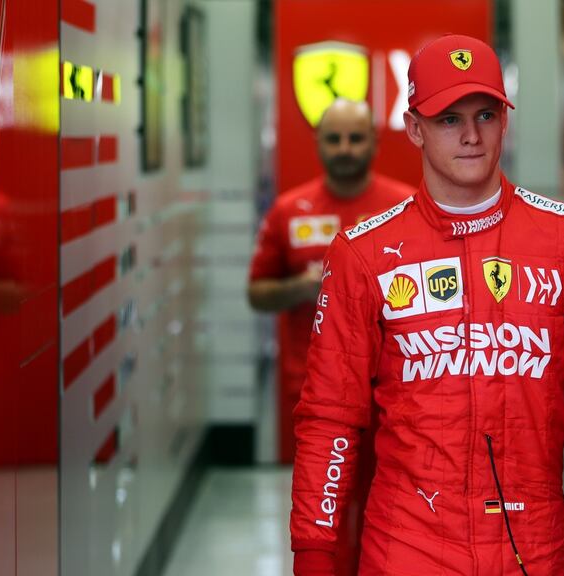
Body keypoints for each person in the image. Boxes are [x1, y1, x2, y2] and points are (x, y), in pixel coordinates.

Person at [290, 35, 564, 575]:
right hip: (405, 551)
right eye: (446, 119)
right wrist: (314, 554)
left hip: (531, 547)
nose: (469, 135)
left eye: (485, 114)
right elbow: (330, 417)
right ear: (414, 127)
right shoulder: (361, 254)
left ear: (505, 120)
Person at [247, 98, 414, 575]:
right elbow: (257, 294)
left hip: (396, 402)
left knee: (394, 523)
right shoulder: (288, 211)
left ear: (375, 143)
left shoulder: (405, 207)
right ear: (318, 143)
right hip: (317, 400)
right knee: (325, 525)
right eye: (334, 138)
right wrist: (302, 286)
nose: (345, 148)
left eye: (355, 138)